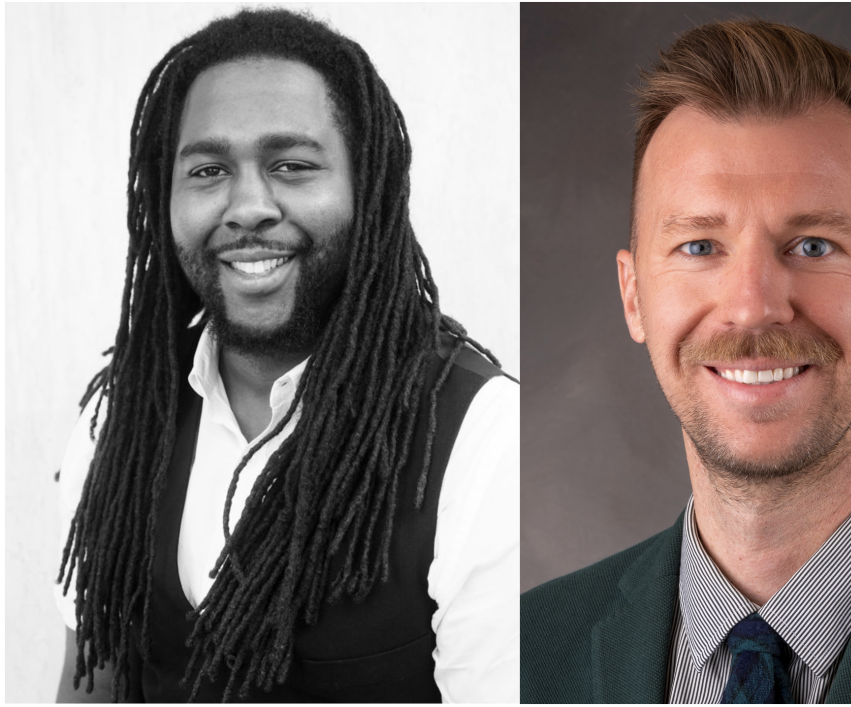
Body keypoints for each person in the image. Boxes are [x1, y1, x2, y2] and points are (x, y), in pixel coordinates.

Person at [521, 18, 851, 704]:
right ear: (634, 297)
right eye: (700, 246)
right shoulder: (523, 657)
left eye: (813, 245)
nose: (753, 305)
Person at [54, 8, 518, 703]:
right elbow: (90, 684)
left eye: (292, 165)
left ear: (370, 189)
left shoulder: (482, 440)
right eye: (209, 169)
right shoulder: (119, 419)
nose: (248, 206)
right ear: (166, 196)